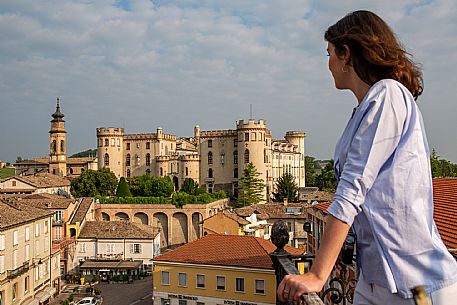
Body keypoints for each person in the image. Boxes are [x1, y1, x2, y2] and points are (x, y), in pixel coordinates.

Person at [277, 10, 457, 305]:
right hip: (375, 279)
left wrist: (318, 274)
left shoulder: (388, 95)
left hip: (419, 287)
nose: (329, 64)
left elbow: (351, 192)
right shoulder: (366, 107)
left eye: (330, 54)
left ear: (346, 54)